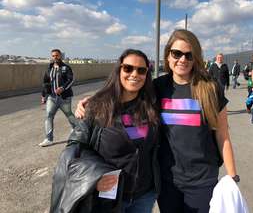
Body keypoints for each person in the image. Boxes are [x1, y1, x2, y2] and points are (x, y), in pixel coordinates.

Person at [75, 30, 239, 213]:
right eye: (177, 53)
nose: (182, 59)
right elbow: (127, 92)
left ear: (196, 58)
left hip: (202, 180)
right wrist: (94, 100)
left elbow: (223, 135)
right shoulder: (158, 87)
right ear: (168, 56)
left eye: (189, 55)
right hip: (167, 180)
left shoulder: (210, 88)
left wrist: (233, 177)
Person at [50, 49, 160, 212]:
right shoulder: (97, 107)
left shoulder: (151, 106)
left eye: (141, 70)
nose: (134, 74)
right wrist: (94, 178)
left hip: (144, 196)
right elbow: (75, 148)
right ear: (119, 70)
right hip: (109, 198)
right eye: (128, 68)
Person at [39, 49, 77, 147]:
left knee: (69, 114)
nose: (55, 57)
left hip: (64, 97)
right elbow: (45, 83)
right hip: (52, 97)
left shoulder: (66, 67)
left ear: (60, 56)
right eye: (53, 56)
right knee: (48, 116)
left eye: (57, 55)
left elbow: (71, 80)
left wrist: (62, 88)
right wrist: (43, 95)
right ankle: (49, 138)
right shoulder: (49, 68)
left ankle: (77, 130)